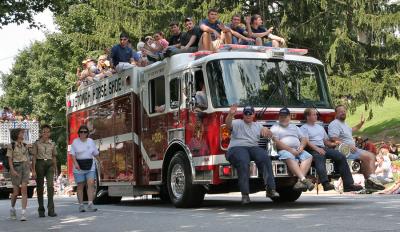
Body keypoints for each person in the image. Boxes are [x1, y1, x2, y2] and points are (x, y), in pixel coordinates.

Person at [225, 105, 279, 204]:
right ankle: (245, 195)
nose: (248, 115)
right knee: (243, 161)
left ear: (254, 115)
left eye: (250, 113)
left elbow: (270, 135)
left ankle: (271, 189)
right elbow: (228, 124)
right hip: (237, 147)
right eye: (246, 113)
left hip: (253, 147)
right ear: (243, 115)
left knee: (264, 157)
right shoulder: (237, 123)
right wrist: (230, 114)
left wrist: (267, 131)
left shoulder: (258, 125)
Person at [300, 108, 363, 192]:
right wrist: (317, 149)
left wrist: (334, 144)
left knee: (340, 156)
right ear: (308, 117)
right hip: (311, 149)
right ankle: (325, 184)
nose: (316, 116)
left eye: (316, 114)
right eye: (314, 114)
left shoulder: (320, 127)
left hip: (323, 148)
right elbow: (306, 142)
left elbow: (325, 141)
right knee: (320, 157)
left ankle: (348, 185)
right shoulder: (304, 128)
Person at [328, 105, 385, 190]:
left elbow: (352, 129)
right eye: (340, 111)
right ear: (336, 113)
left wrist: (361, 123)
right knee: (370, 156)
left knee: (366, 161)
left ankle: (369, 183)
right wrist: (348, 146)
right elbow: (334, 139)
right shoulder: (334, 124)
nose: (343, 113)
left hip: (351, 148)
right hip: (344, 150)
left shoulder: (344, 124)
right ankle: (372, 179)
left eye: (344, 111)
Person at [270, 107, 314, 192]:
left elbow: (304, 139)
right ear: (278, 117)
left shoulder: (295, 127)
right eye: (281, 116)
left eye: (285, 116)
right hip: (284, 150)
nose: (283, 118)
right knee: (289, 156)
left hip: (297, 150)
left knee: (309, 157)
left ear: (289, 117)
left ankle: (299, 183)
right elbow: (276, 142)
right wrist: (290, 150)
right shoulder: (274, 127)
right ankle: (304, 180)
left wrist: (301, 147)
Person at [70, 125, 99, 212]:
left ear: (87, 133)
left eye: (85, 132)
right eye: (81, 132)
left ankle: (90, 204)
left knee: (90, 183)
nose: (83, 133)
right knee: (80, 185)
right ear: (79, 133)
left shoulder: (91, 141)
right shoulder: (75, 142)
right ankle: (81, 205)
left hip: (90, 165)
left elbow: (95, 153)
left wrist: (101, 162)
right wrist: (76, 164)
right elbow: (72, 155)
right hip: (78, 166)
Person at [31, 124, 58, 217]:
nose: (46, 133)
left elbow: (54, 157)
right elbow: (33, 157)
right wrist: (33, 170)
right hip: (40, 163)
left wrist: (55, 169)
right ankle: (41, 210)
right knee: (40, 187)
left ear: (50, 133)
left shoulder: (52, 143)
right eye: (44, 132)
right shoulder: (37, 143)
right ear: (41, 133)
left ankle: (51, 210)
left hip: (50, 164)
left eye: (47, 132)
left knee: (50, 187)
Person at [7, 128, 32, 221]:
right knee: (16, 192)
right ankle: (12, 208)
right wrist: (12, 170)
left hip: (25, 167)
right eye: (21, 132)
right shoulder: (11, 146)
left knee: (24, 190)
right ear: (17, 134)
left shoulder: (25, 145)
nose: (23, 134)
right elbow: (10, 159)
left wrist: (31, 169)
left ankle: (23, 212)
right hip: (16, 167)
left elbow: (28, 159)